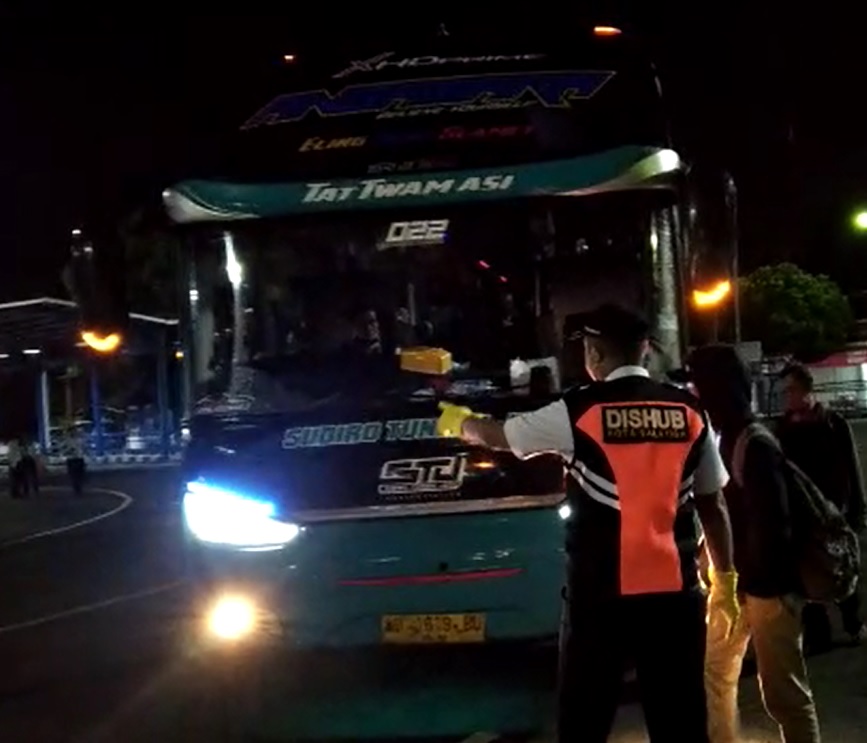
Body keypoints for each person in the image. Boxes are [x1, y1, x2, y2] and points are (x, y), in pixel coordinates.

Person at [437, 303, 737, 743]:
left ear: (594, 355)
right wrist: (725, 580)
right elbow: (713, 504)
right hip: (674, 600)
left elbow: (500, 436)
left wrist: (460, 423)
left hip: (599, 600)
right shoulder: (689, 411)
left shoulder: (577, 410)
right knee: (681, 726)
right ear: (645, 350)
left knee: (584, 724)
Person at [688, 345, 821, 743]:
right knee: (715, 676)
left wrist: (744, 582)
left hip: (768, 592)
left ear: (716, 390)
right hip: (738, 585)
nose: (693, 395)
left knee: (785, 696)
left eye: (697, 386)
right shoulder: (724, 438)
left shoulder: (754, 443)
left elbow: (774, 527)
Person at [777, 363, 866, 650]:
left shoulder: (833, 423)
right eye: (784, 392)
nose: (787, 397)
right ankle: (818, 634)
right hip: (801, 512)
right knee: (807, 574)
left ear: (807, 390)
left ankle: (852, 624)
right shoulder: (784, 429)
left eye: (791, 390)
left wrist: (856, 509)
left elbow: (851, 467)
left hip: (833, 511)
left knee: (840, 568)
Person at [63, 426, 87, 497]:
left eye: (74, 431)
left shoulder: (80, 440)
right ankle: (76, 488)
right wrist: (68, 451)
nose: (73, 433)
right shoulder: (67, 441)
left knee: (79, 474)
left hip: (79, 458)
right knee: (73, 475)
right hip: (72, 459)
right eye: (72, 432)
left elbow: (84, 448)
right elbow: (64, 450)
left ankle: (79, 487)